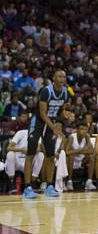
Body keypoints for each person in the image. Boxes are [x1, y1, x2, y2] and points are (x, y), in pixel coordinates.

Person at [24, 70, 70, 199]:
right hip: (38, 122)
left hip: (52, 124)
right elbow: (43, 113)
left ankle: (49, 186)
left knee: (50, 155)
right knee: (30, 154)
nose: (62, 78)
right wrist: (54, 127)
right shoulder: (46, 91)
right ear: (53, 78)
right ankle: (27, 187)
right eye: (59, 76)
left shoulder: (65, 92)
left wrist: (66, 116)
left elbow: (61, 111)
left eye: (64, 77)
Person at [64, 123, 95, 191]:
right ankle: (69, 182)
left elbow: (91, 151)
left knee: (91, 157)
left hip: (82, 160)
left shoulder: (87, 137)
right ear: (77, 130)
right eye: (82, 129)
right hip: (71, 160)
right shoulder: (71, 137)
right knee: (71, 156)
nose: (84, 131)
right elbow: (67, 152)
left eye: (85, 129)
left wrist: (78, 151)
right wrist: (81, 149)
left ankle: (89, 182)